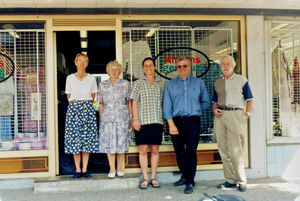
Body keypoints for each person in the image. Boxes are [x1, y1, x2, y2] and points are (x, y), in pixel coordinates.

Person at [163, 56, 210, 194]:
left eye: (185, 66)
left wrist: (195, 110)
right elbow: (167, 107)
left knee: (191, 151)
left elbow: (205, 101)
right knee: (179, 151)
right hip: (176, 121)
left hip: (193, 121)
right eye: (179, 66)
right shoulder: (170, 85)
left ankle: (190, 181)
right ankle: (185, 175)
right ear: (176, 69)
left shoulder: (198, 83)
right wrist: (171, 124)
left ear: (189, 67)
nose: (182, 68)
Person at [212, 55, 253, 192]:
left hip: (235, 115)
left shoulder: (242, 80)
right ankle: (230, 179)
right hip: (220, 116)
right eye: (223, 63)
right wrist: (214, 110)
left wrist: (247, 114)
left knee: (236, 150)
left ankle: (241, 180)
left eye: (228, 63)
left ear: (233, 65)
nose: (225, 65)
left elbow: (250, 99)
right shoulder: (217, 82)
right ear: (220, 66)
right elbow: (214, 101)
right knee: (223, 149)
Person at [130, 57, 164, 190]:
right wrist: (135, 119)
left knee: (155, 150)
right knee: (143, 150)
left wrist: (163, 121)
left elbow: (162, 103)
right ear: (143, 68)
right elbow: (134, 102)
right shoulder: (138, 83)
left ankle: (153, 177)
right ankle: (145, 178)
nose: (148, 68)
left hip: (156, 121)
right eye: (146, 66)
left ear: (154, 67)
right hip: (142, 122)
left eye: (150, 65)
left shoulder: (160, 83)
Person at [64, 53, 98, 179]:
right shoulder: (70, 78)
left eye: (85, 61)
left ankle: (85, 169)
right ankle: (78, 169)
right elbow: (68, 96)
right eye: (80, 61)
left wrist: (85, 106)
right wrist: (77, 106)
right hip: (74, 110)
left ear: (87, 63)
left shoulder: (92, 78)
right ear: (75, 62)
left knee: (87, 141)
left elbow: (93, 95)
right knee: (75, 141)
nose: (82, 63)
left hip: (87, 110)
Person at [98, 60, 132, 178]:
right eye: (111, 69)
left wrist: (131, 117)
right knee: (109, 144)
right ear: (108, 71)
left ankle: (119, 168)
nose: (114, 71)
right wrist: (100, 119)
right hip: (107, 119)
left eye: (116, 69)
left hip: (122, 118)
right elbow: (101, 103)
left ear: (119, 71)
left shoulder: (125, 84)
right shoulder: (102, 85)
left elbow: (129, 102)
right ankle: (112, 169)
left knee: (121, 143)